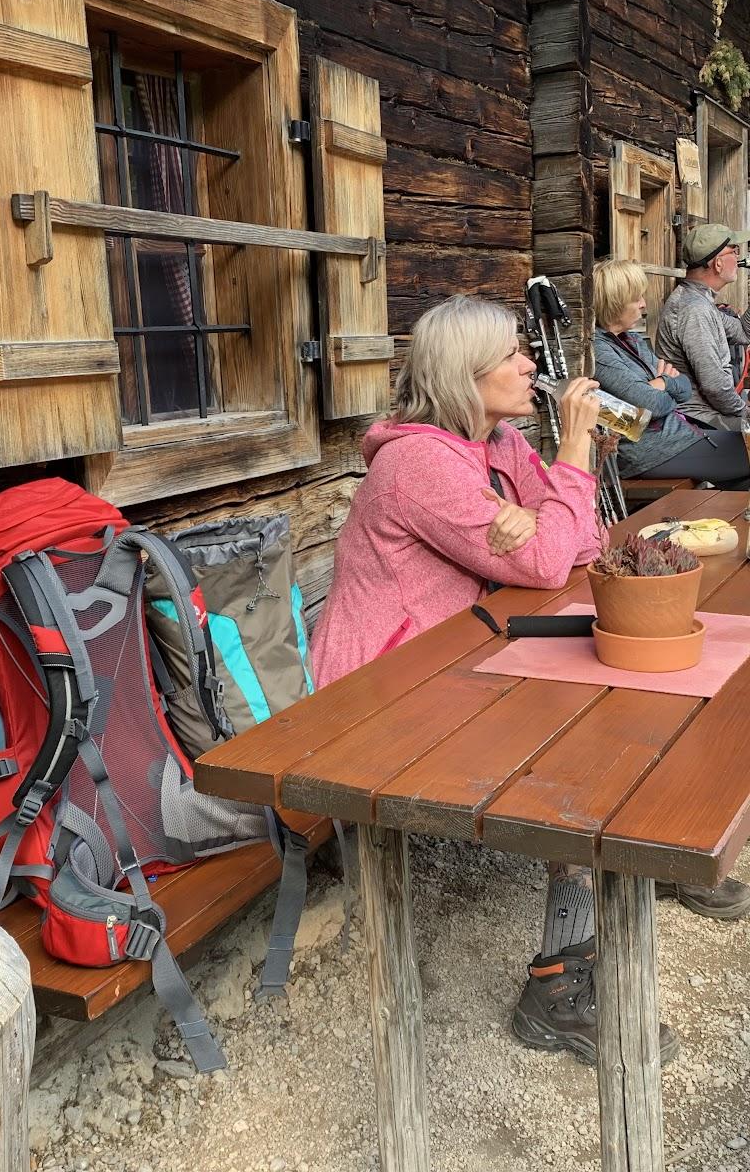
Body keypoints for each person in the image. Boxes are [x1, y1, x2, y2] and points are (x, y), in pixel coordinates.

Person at [310, 294, 679, 1064]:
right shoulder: (417, 464)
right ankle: (558, 982)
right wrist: (569, 468)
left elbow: (574, 549)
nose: (530, 364)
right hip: (381, 694)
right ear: (462, 374)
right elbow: (548, 558)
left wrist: (546, 510)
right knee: (581, 738)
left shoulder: (500, 443)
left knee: (621, 681)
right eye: (513, 353)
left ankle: (656, 853)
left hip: (458, 654)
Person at [593, 257, 750, 489]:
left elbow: (683, 387)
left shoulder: (632, 340)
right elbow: (651, 406)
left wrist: (661, 384)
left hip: (678, 436)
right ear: (615, 303)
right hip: (651, 451)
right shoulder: (599, 350)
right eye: (636, 298)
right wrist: (664, 385)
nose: (644, 304)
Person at [655, 223, 750, 430]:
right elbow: (715, 387)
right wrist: (745, 412)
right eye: (735, 250)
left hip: (710, 414)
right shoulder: (694, 309)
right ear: (717, 263)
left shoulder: (700, 302)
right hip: (697, 422)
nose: (738, 257)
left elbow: (743, 333)